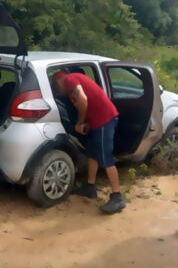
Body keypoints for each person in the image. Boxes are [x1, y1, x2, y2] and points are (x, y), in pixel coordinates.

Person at [52, 70, 125, 214]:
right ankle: (90, 187)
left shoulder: (70, 80)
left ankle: (117, 197)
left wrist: (80, 121)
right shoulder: (70, 83)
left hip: (105, 119)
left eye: (55, 86)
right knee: (92, 153)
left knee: (106, 158)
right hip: (96, 122)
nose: (56, 90)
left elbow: (83, 99)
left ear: (58, 80)